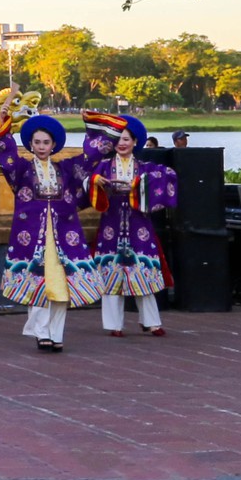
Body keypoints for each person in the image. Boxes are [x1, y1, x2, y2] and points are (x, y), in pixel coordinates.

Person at [0, 112, 102, 352]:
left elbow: (90, 157)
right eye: (37, 142)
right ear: (30, 144)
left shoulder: (66, 169)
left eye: (46, 142)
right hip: (32, 236)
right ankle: (42, 333)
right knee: (38, 283)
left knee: (61, 285)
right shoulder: (21, 169)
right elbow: (3, 153)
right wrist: (2, 122)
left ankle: (56, 334)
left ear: (53, 145)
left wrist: (96, 128)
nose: (41, 147)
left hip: (63, 235)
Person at [83, 113, 178, 337]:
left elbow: (170, 175)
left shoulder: (145, 168)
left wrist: (139, 184)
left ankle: (151, 322)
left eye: (127, 139)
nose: (122, 143)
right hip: (111, 227)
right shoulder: (104, 167)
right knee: (110, 275)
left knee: (144, 272)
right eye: (118, 139)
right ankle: (114, 324)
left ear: (135, 142)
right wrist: (97, 182)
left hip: (139, 228)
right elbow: (86, 182)